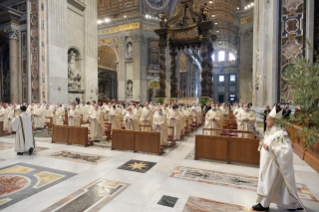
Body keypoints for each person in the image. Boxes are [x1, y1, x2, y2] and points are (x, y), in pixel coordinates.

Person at [253, 105, 302, 211]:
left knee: (269, 183)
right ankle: (289, 203)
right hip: (268, 163)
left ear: (274, 121)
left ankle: (264, 204)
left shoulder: (281, 133)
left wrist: (270, 148)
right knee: (270, 183)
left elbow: (287, 151)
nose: (266, 121)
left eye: (268, 119)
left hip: (273, 164)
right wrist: (263, 143)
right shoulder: (271, 131)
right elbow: (268, 143)